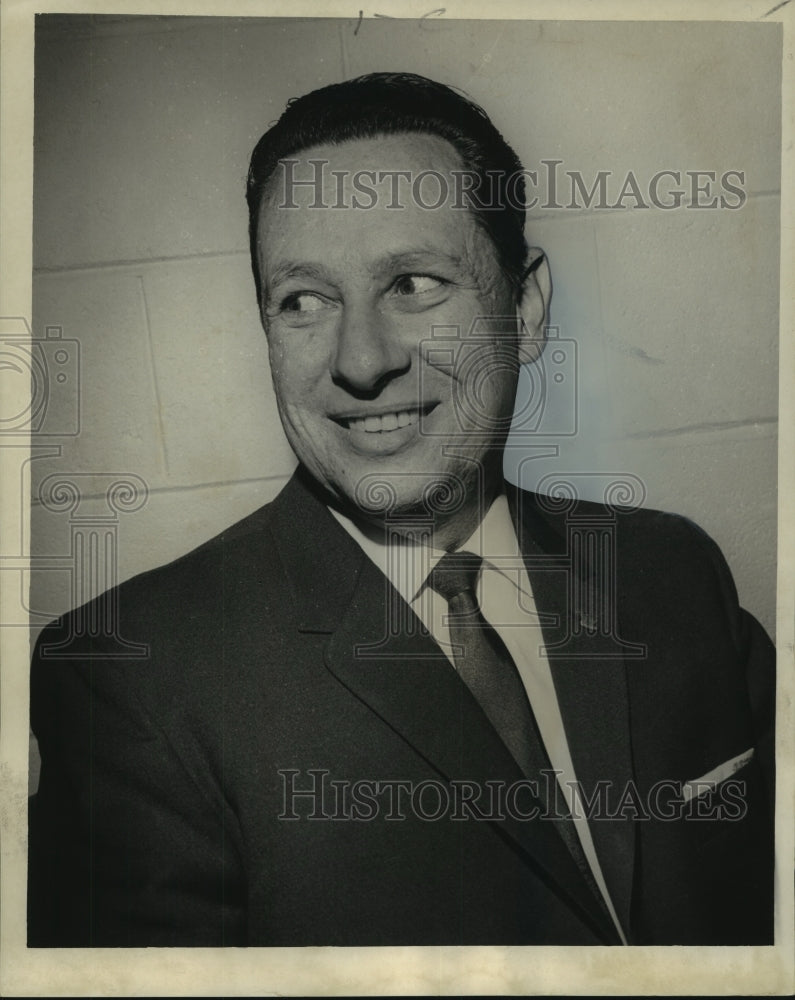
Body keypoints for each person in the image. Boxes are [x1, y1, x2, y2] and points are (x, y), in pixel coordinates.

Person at [28, 72, 775, 947]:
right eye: (303, 300)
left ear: (525, 308)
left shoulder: (669, 571)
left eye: (414, 283)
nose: (361, 359)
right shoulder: (129, 677)